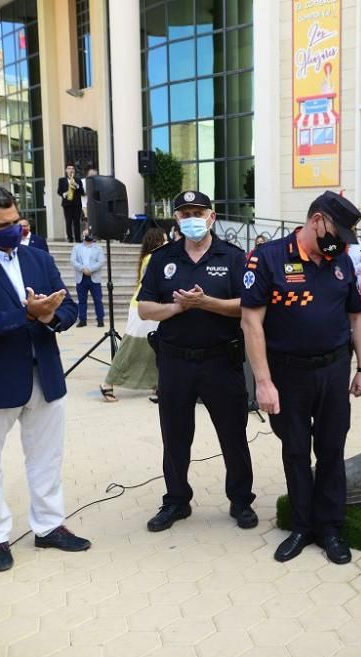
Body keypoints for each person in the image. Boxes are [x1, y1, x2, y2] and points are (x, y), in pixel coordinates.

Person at [0, 184, 91, 572]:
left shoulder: (37, 258)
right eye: (2, 224)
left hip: (44, 375)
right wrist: (28, 314)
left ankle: (49, 527)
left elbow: (70, 309)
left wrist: (50, 316)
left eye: (16, 220)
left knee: (47, 458)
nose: (13, 228)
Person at [241, 191, 361, 565]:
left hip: (333, 371)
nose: (340, 241)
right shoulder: (267, 258)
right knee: (296, 450)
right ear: (317, 221)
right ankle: (302, 525)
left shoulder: (341, 262)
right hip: (287, 374)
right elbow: (251, 322)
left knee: (331, 449)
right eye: (337, 231)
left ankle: (330, 528)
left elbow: (355, 319)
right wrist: (263, 382)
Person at [137, 190, 257, 532]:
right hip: (175, 362)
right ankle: (176, 501)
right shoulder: (162, 259)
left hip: (221, 360)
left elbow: (247, 304)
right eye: (185, 212)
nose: (192, 218)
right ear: (176, 219)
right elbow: (145, 308)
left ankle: (240, 500)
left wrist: (206, 303)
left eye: (198, 212)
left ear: (212, 217)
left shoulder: (233, 257)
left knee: (233, 434)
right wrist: (178, 308)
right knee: (175, 435)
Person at [100, 228, 168, 402]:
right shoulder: (154, 259)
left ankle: (157, 386)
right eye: (165, 240)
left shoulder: (150, 258)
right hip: (143, 308)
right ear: (158, 242)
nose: (167, 243)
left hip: (148, 307)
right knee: (132, 347)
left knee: (153, 348)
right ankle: (108, 383)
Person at [70, 233, 105, 328]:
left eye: (89, 234)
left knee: (98, 300)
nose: (88, 236)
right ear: (82, 236)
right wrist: (82, 269)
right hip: (81, 277)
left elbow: (101, 261)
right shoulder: (76, 248)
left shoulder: (98, 248)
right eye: (86, 234)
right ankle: (82, 320)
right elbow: (73, 260)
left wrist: (90, 270)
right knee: (81, 300)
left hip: (94, 277)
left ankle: (100, 319)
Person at [56, 164, 85, 243]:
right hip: (67, 204)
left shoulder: (78, 180)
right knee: (68, 221)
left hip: (77, 204)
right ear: (66, 170)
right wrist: (64, 194)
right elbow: (59, 191)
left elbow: (82, 192)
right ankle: (70, 238)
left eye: (72, 169)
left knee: (76, 222)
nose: (71, 170)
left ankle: (78, 238)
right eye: (69, 168)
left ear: (74, 171)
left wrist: (77, 185)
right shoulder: (61, 180)